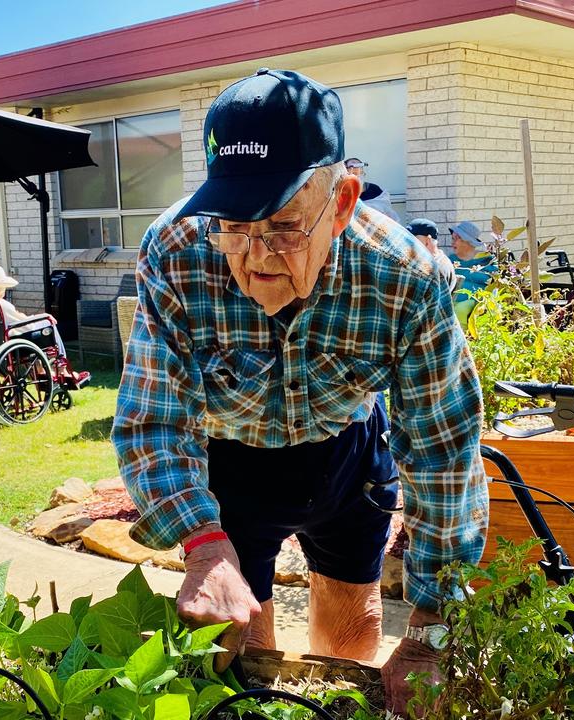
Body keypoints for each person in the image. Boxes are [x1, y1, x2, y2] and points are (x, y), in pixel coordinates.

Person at [112, 69, 486, 714]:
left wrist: (429, 628)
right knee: (240, 652)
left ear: (340, 202)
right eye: (234, 225)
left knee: (351, 635)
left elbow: (443, 450)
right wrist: (203, 547)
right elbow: (156, 422)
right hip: (230, 456)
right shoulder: (175, 252)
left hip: (347, 453)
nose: (254, 257)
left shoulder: (403, 276)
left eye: (284, 226)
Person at [0, 265, 90, 387]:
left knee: (39, 330)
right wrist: (41, 317)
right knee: (48, 323)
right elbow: (24, 325)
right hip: (9, 347)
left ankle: (41, 370)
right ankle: (63, 370)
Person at [447, 221, 499, 323]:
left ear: (467, 241)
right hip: (451, 303)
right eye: (452, 239)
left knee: (460, 310)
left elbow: (496, 283)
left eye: (455, 239)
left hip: (478, 306)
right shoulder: (450, 261)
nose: (452, 243)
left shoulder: (487, 260)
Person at [344, 157, 399, 222]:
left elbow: (387, 212)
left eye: (359, 171)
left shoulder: (374, 189)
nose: (357, 175)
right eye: (353, 172)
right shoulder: (343, 191)